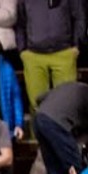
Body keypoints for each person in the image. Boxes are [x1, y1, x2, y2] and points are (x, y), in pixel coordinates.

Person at [15, 0, 85, 128]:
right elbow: (20, 23)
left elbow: (79, 17)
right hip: (33, 55)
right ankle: (40, 145)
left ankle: (67, 144)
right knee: (37, 104)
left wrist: (76, 45)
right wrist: (22, 50)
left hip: (64, 53)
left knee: (67, 103)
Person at [32, 82, 88, 174]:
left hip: (39, 119)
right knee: (75, 170)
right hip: (58, 124)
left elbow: (38, 99)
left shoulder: (72, 87)